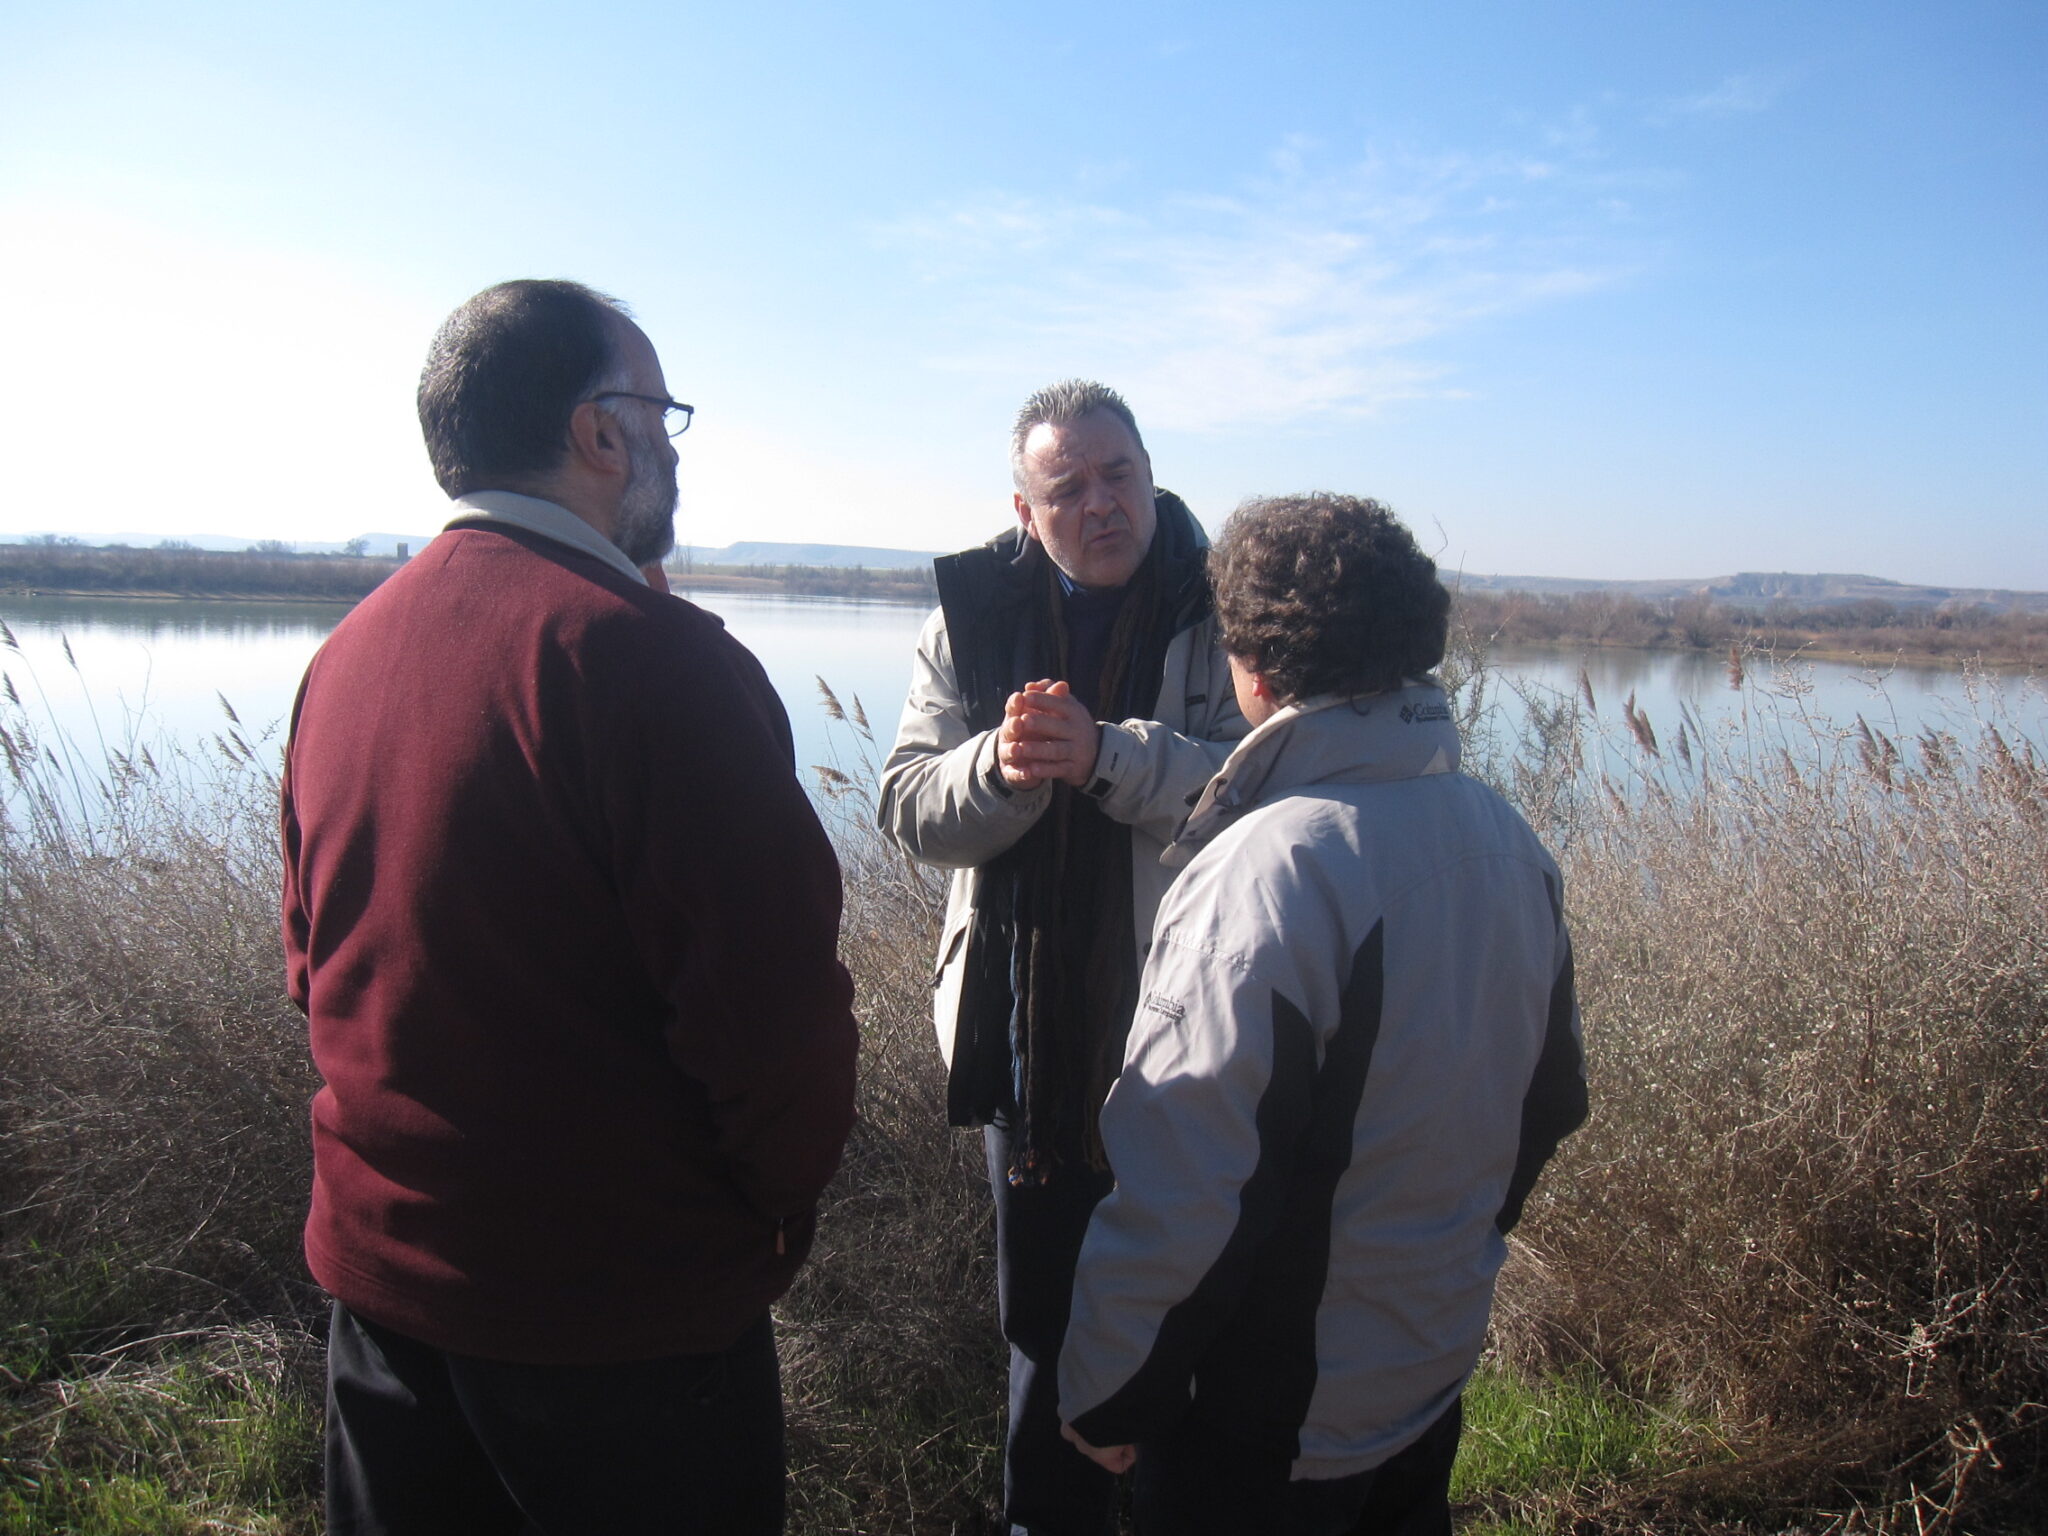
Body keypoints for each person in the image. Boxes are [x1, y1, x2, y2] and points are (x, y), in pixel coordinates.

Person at [281, 278, 858, 1535]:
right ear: (600, 430)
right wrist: (765, 1212)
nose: (666, 445)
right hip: (618, 1329)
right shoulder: (653, 663)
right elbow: (777, 1028)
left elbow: (315, 967)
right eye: (660, 412)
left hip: (385, 1302)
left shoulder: (347, 654)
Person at [1056, 494, 1589, 1536]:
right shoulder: (1505, 840)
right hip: (1421, 1377)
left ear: (1250, 665)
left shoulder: (1269, 870)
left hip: (1263, 1428)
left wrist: (1108, 1392)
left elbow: (1184, 1185)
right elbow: (1546, 1102)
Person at [877, 380, 1247, 1535]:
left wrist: (1106, 757)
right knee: (1043, 1332)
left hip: (1200, 1041)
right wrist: (1002, 768)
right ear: (1024, 510)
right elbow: (905, 803)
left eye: (1117, 475)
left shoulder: (1227, 602)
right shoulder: (971, 614)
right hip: (1028, 1054)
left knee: (1197, 1322)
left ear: (1150, 473)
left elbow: (1270, 790)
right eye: (1067, 487)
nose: (1100, 505)